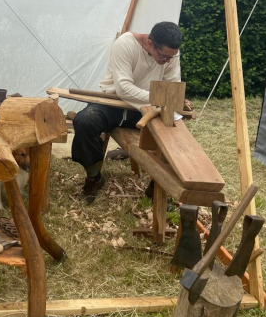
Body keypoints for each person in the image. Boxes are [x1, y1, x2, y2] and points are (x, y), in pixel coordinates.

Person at [72, 21, 185, 203]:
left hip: (145, 109)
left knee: (175, 136)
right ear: (150, 43)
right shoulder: (125, 44)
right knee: (85, 121)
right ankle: (93, 177)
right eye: (163, 57)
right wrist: (159, 98)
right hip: (114, 102)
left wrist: (174, 100)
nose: (167, 62)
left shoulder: (170, 55)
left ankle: (157, 188)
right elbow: (123, 88)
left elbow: (172, 87)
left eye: (171, 58)